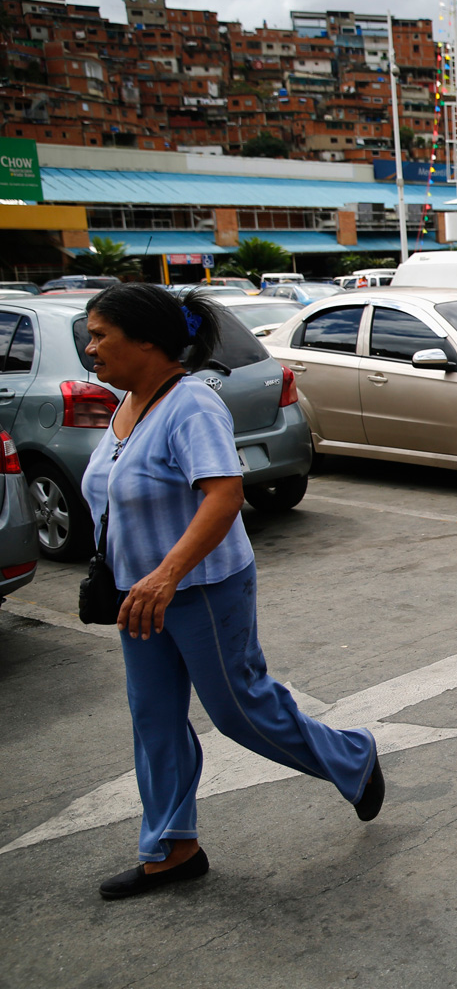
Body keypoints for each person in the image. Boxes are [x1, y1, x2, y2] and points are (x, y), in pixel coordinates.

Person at [80, 284, 383, 900]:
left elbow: (224, 495)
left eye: (100, 335)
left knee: (240, 712)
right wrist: (134, 580)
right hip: (138, 597)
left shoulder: (191, 405)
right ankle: (172, 848)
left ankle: (353, 758)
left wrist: (168, 575)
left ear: (146, 340)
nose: (90, 348)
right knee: (155, 719)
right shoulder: (125, 406)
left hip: (201, 587)